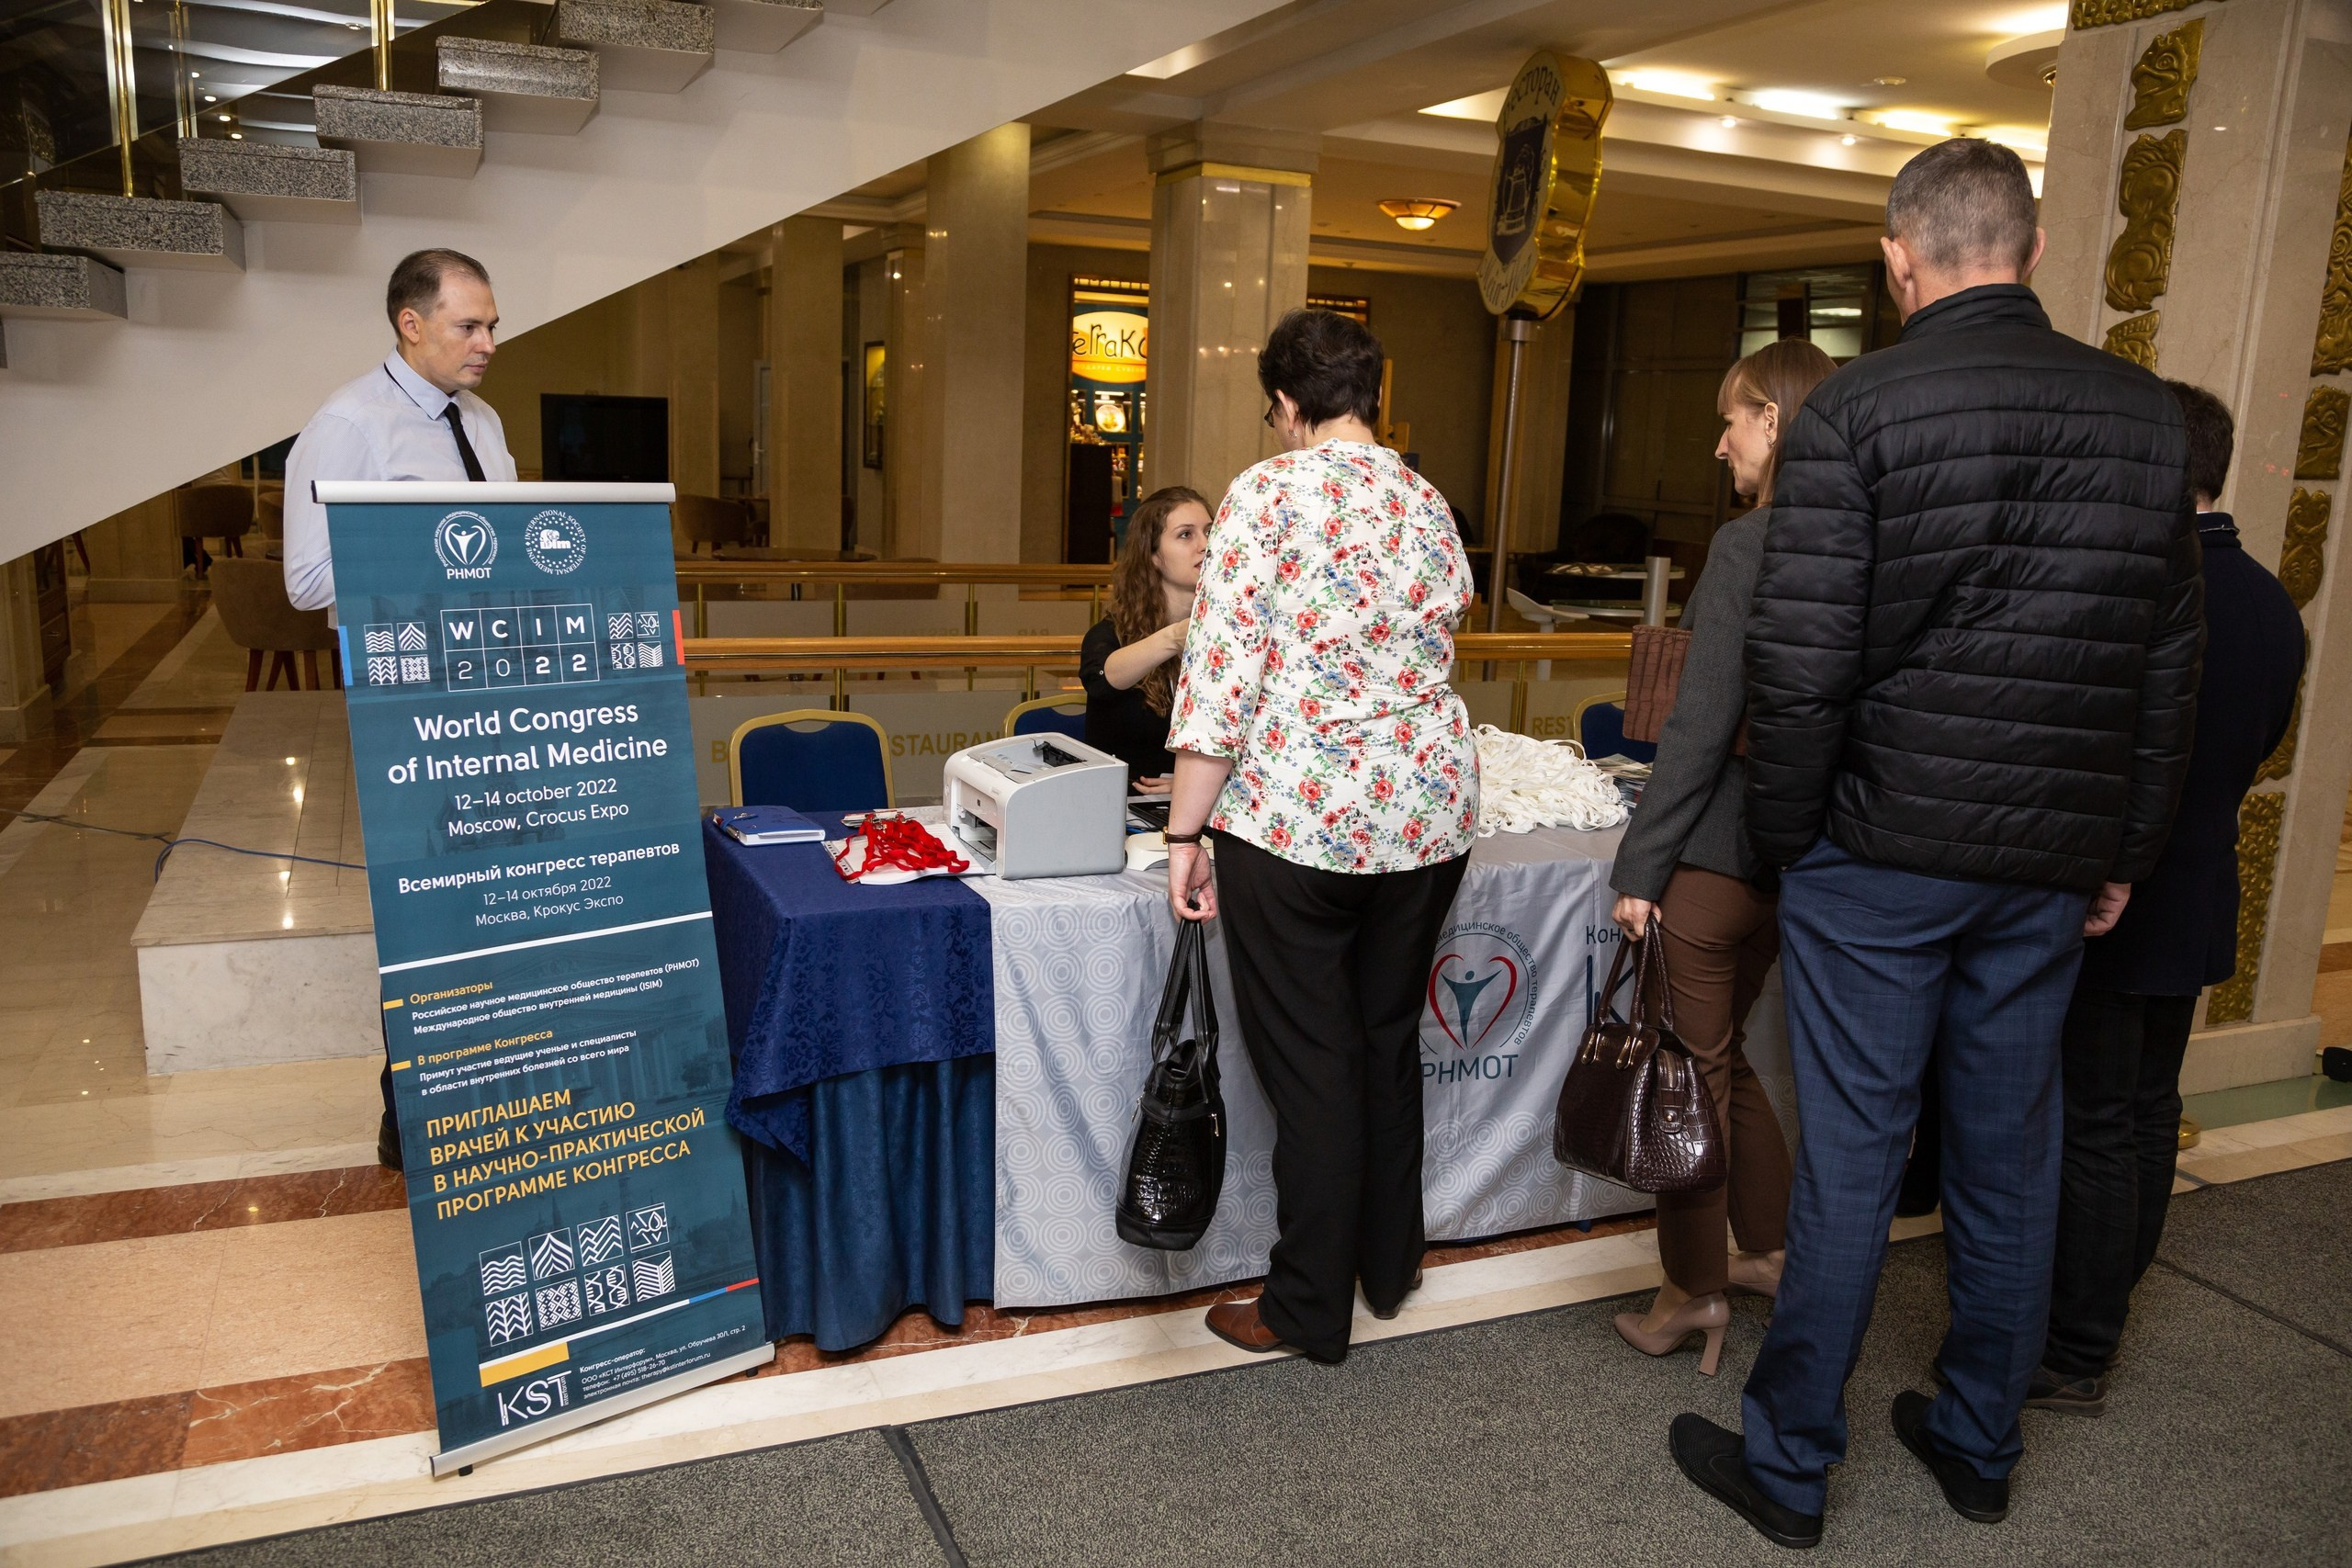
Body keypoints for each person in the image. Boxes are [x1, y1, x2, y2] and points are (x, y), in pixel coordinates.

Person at [1669, 138, 2203, 1548]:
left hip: (1880, 851)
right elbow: (2168, 672)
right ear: (2029, 248)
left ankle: (1790, 1467)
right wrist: (2123, 846)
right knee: (2011, 1148)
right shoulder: (2148, 419)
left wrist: (1792, 841)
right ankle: (1979, 1439)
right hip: (2046, 861)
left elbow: (1803, 667)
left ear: (1901, 258)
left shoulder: (1861, 411)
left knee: (1856, 1151)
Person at [1159, 308, 1477, 1364]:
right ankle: (1389, 1266)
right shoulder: (1425, 499)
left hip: (1300, 818)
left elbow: (1222, 676)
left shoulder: (1266, 492)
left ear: (1290, 405)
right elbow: (1439, 634)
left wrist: (1183, 832)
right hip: (1427, 813)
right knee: (1385, 1040)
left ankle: (1307, 1305)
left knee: (1314, 1066)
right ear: (1370, 394)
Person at [2033, 380, 2303, 1415]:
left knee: (2096, 1121)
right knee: (2147, 1110)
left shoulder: (2153, 589)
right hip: (2200, 888)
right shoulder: (2273, 601)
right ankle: (2108, 1304)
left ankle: (2077, 1345)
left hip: (2122, 892)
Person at [1607, 338, 1836, 1373]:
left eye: (1732, 419)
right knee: (1726, 1060)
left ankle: (1687, 1294)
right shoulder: (1859, 542)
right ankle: (1774, 1254)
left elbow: (1699, 729)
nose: (1719, 442)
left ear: (1775, 422)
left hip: (1711, 860)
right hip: (1796, 862)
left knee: (1680, 1081)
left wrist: (1638, 868)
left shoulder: (1750, 549)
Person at [282, 248, 516, 1170]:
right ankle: (409, 1110)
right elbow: (306, 581)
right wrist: (432, 548)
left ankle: (498, 1083)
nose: (488, 342)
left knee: (495, 906)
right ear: (410, 324)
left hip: (498, 688)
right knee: (431, 914)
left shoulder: (485, 423)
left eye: (493, 323)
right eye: (469, 325)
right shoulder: (348, 423)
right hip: (409, 702)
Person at [1080, 485, 1212, 792]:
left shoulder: (1237, 631)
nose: (1205, 545)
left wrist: (1192, 785)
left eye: (1210, 531)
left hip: (1206, 802)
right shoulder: (1111, 634)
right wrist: (1177, 636)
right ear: (1152, 556)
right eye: (1185, 535)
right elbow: (1103, 678)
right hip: (1126, 805)